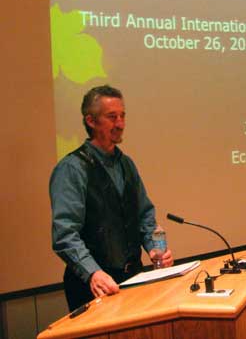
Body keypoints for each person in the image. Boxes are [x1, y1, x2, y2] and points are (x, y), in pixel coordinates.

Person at [49, 85, 173, 310]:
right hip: (92, 286)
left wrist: (154, 249)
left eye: (122, 116)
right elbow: (65, 234)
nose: (120, 124)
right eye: (112, 117)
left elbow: (145, 215)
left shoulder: (126, 164)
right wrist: (93, 272)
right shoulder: (72, 169)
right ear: (91, 121)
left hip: (134, 279)